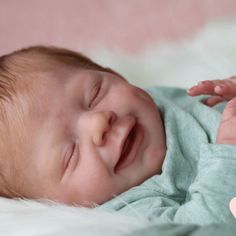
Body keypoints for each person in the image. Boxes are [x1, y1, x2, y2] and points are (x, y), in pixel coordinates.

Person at [0, 46, 235, 225]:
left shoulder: (153, 103)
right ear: (48, 205)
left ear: (114, 74)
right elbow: (206, 227)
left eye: (95, 94)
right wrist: (227, 157)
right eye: (71, 154)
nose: (98, 122)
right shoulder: (130, 210)